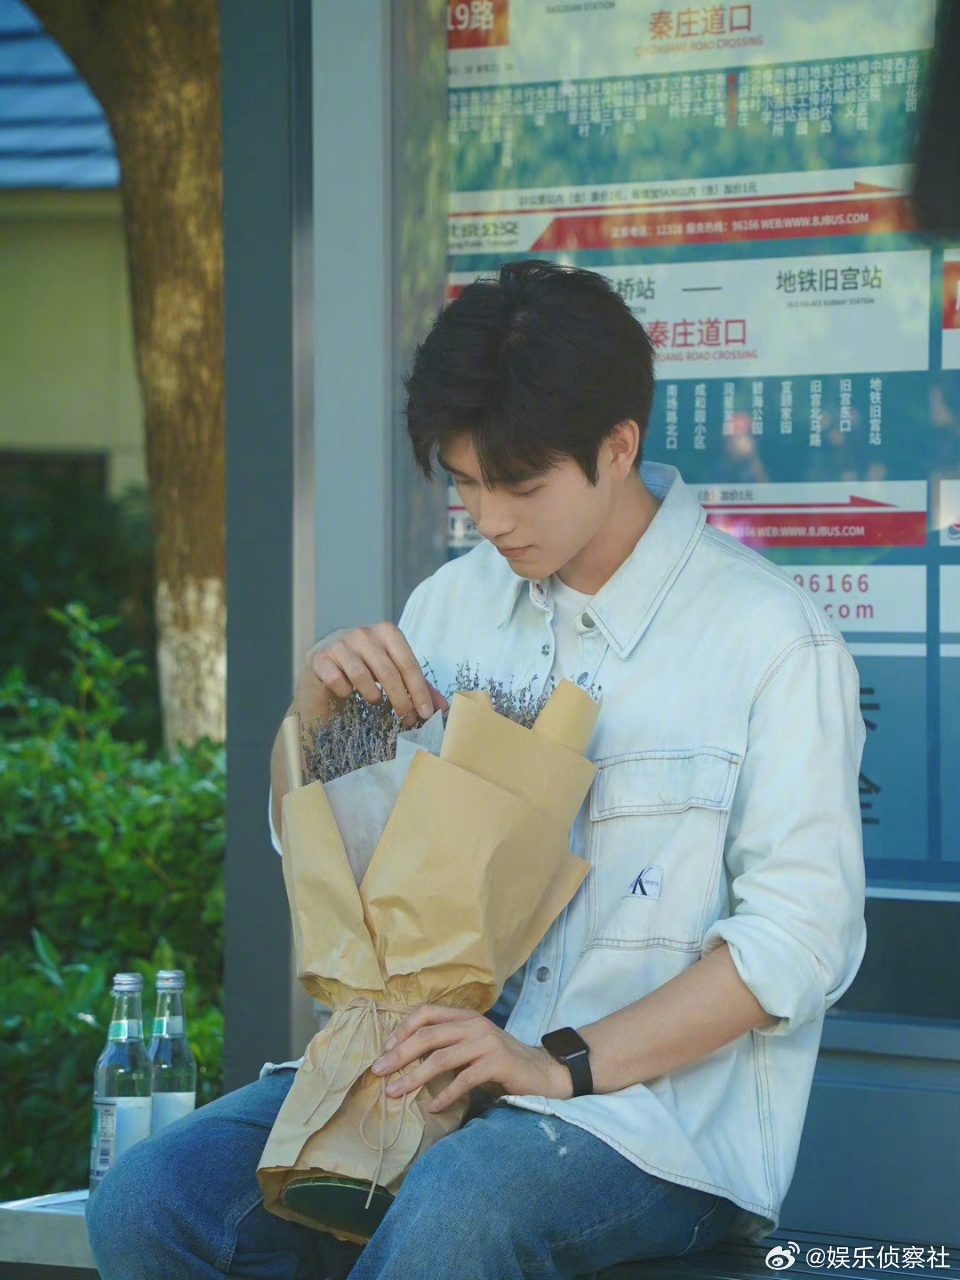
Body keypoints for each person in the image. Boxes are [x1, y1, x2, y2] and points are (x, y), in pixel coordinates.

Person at [87, 261, 867, 1280]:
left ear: (619, 446)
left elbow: (801, 943)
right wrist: (319, 722)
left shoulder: (771, 639)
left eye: (520, 484)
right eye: (463, 481)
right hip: (414, 1073)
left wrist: (553, 1063)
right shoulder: (449, 605)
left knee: (460, 1209)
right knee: (149, 1198)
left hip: (644, 1124)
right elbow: (353, 868)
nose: (488, 518)